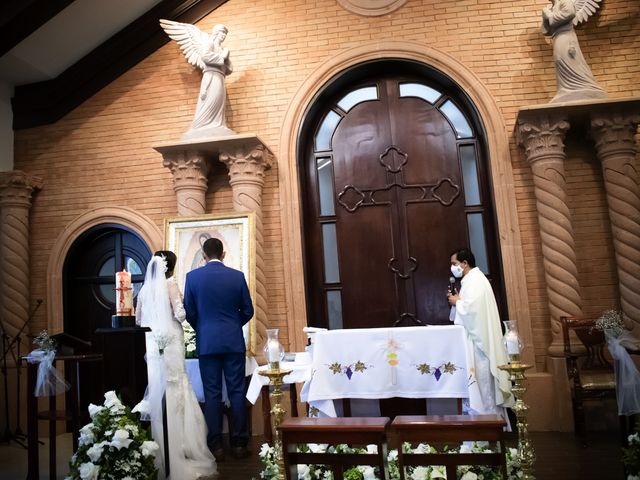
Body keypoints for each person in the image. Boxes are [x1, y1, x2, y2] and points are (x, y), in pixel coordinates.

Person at [136, 251, 217, 480]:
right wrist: (186, 308)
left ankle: (158, 443)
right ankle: (180, 444)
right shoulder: (170, 285)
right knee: (176, 385)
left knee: (157, 385)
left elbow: (138, 319)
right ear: (170, 266)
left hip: (152, 343)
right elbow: (180, 315)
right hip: (171, 340)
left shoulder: (143, 290)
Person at [184, 238, 254, 461]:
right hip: (233, 342)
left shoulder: (192, 277)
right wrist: (233, 324)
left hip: (207, 343)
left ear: (203, 255)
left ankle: (216, 446)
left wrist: (203, 328)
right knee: (236, 392)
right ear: (223, 254)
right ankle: (240, 444)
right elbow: (248, 310)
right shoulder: (237, 276)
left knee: (212, 394)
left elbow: (190, 311)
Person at [447, 248, 513, 417]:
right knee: (478, 384)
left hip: (480, 344)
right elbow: (471, 307)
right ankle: (481, 425)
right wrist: (459, 301)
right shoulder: (471, 279)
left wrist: (457, 302)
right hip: (475, 339)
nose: (452, 268)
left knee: (483, 385)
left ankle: (488, 424)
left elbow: (473, 311)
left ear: (464, 263)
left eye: (454, 264)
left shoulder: (475, 280)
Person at [159, 21, 235, 139]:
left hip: (220, 77)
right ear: (216, 33)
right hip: (211, 76)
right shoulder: (209, 44)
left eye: (225, 34)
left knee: (218, 102)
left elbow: (229, 70)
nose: (223, 36)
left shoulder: (222, 49)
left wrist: (227, 57)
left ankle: (217, 124)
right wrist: (223, 57)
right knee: (210, 99)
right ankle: (202, 125)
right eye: (222, 33)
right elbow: (205, 57)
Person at [541, 0, 606, 103]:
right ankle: (565, 89)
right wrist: (545, 16)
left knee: (570, 61)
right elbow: (547, 31)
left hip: (566, 36)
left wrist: (549, 15)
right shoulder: (551, 7)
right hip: (557, 38)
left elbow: (570, 13)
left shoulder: (564, 1)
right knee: (560, 61)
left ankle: (583, 86)